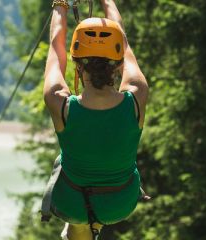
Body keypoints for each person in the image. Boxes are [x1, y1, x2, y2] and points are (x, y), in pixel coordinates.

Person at [42, 0, 149, 239]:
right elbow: (124, 41)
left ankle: (80, 225)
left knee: (63, 161)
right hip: (121, 204)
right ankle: (93, 223)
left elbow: (56, 46)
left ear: (77, 63)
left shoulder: (58, 102)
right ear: (119, 62)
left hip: (70, 201)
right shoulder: (137, 96)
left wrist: (61, 4)